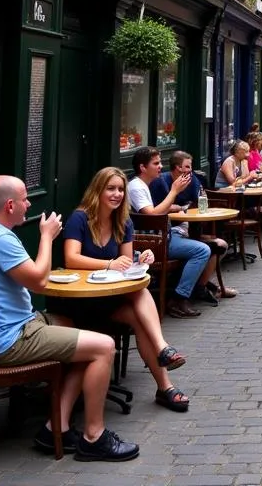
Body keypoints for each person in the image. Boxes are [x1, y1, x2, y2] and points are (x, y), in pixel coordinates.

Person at [0, 176, 139, 462]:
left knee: (78, 328)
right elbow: (39, 281)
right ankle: (94, 436)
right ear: (10, 205)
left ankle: (57, 426)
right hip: (10, 339)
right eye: (25, 199)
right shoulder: (1, 239)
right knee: (103, 346)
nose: (29, 203)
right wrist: (46, 236)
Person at [57, 167, 191, 413]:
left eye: (120, 189)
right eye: (111, 188)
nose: (117, 194)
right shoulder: (80, 218)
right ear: (98, 190)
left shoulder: (124, 220)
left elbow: (126, 264)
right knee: (140, 300)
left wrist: (141, 260)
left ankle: (165, 386)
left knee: (140, 313)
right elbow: (71, 258)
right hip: (80, 300)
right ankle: (163, 351)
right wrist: (109, 263)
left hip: (109, 299)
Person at [127, 146, 213, 316]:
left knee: (207, 244)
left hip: (163, 235)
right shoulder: (137, 187)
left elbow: (158, 210)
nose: (160, 166)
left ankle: (196, 289)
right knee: (202, 250)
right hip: (154, 242)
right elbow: (151, 215)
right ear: (143, 168)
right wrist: (174, 191)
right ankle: (178, 299)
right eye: (156, 163)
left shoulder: (146, 184)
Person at [148, 151, 237, 299]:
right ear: (178, 168)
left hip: (188, 228)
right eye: (188, 166)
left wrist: (186, 207)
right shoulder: (161, 181)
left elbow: (201, 199)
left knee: (221, 245)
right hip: (170, 232)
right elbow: (158, 209)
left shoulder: (192, 179)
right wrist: (179, 207)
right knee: (206, 249)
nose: (191, 170)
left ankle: (201, 286)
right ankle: (185, 295)